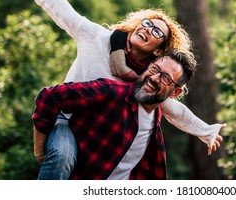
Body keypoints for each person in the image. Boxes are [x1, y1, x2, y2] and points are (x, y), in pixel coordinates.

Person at [2, 0, 225, 180]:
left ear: (159, 50)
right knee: (63, 155)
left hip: (96, 133)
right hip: (67, 118)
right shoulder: (98, 38)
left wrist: (206, 131)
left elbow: (173, 110)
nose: (147, 29)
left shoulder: (149, 77)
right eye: (146, 23)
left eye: (156, 31)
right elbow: (64, 12)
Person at [33, 51, 195, 179]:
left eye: (165, 77)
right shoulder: (111, 92)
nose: (153, 78)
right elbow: (49, 96)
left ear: (175, 92)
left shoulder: (155, 120)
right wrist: (39, 150)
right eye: (154, 69)